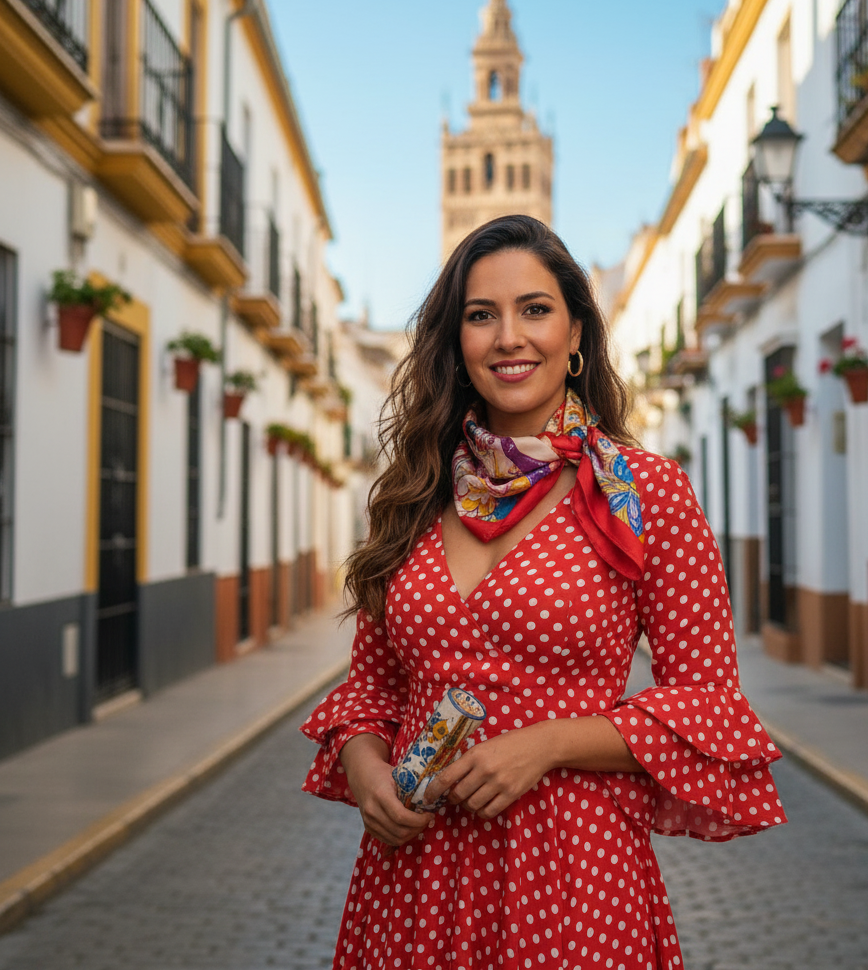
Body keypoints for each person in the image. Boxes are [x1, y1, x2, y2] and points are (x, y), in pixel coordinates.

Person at [301, 215, 787, 970]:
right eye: (480, 315)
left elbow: (709, 704)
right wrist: (366, 770)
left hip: (573, 875)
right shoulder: (412, 496)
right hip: (413, 882)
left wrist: (548, 745)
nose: (508, 337)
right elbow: (372, 690)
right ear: (456, 344)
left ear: (576, 334)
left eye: (534, 309)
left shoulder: (641, 494)